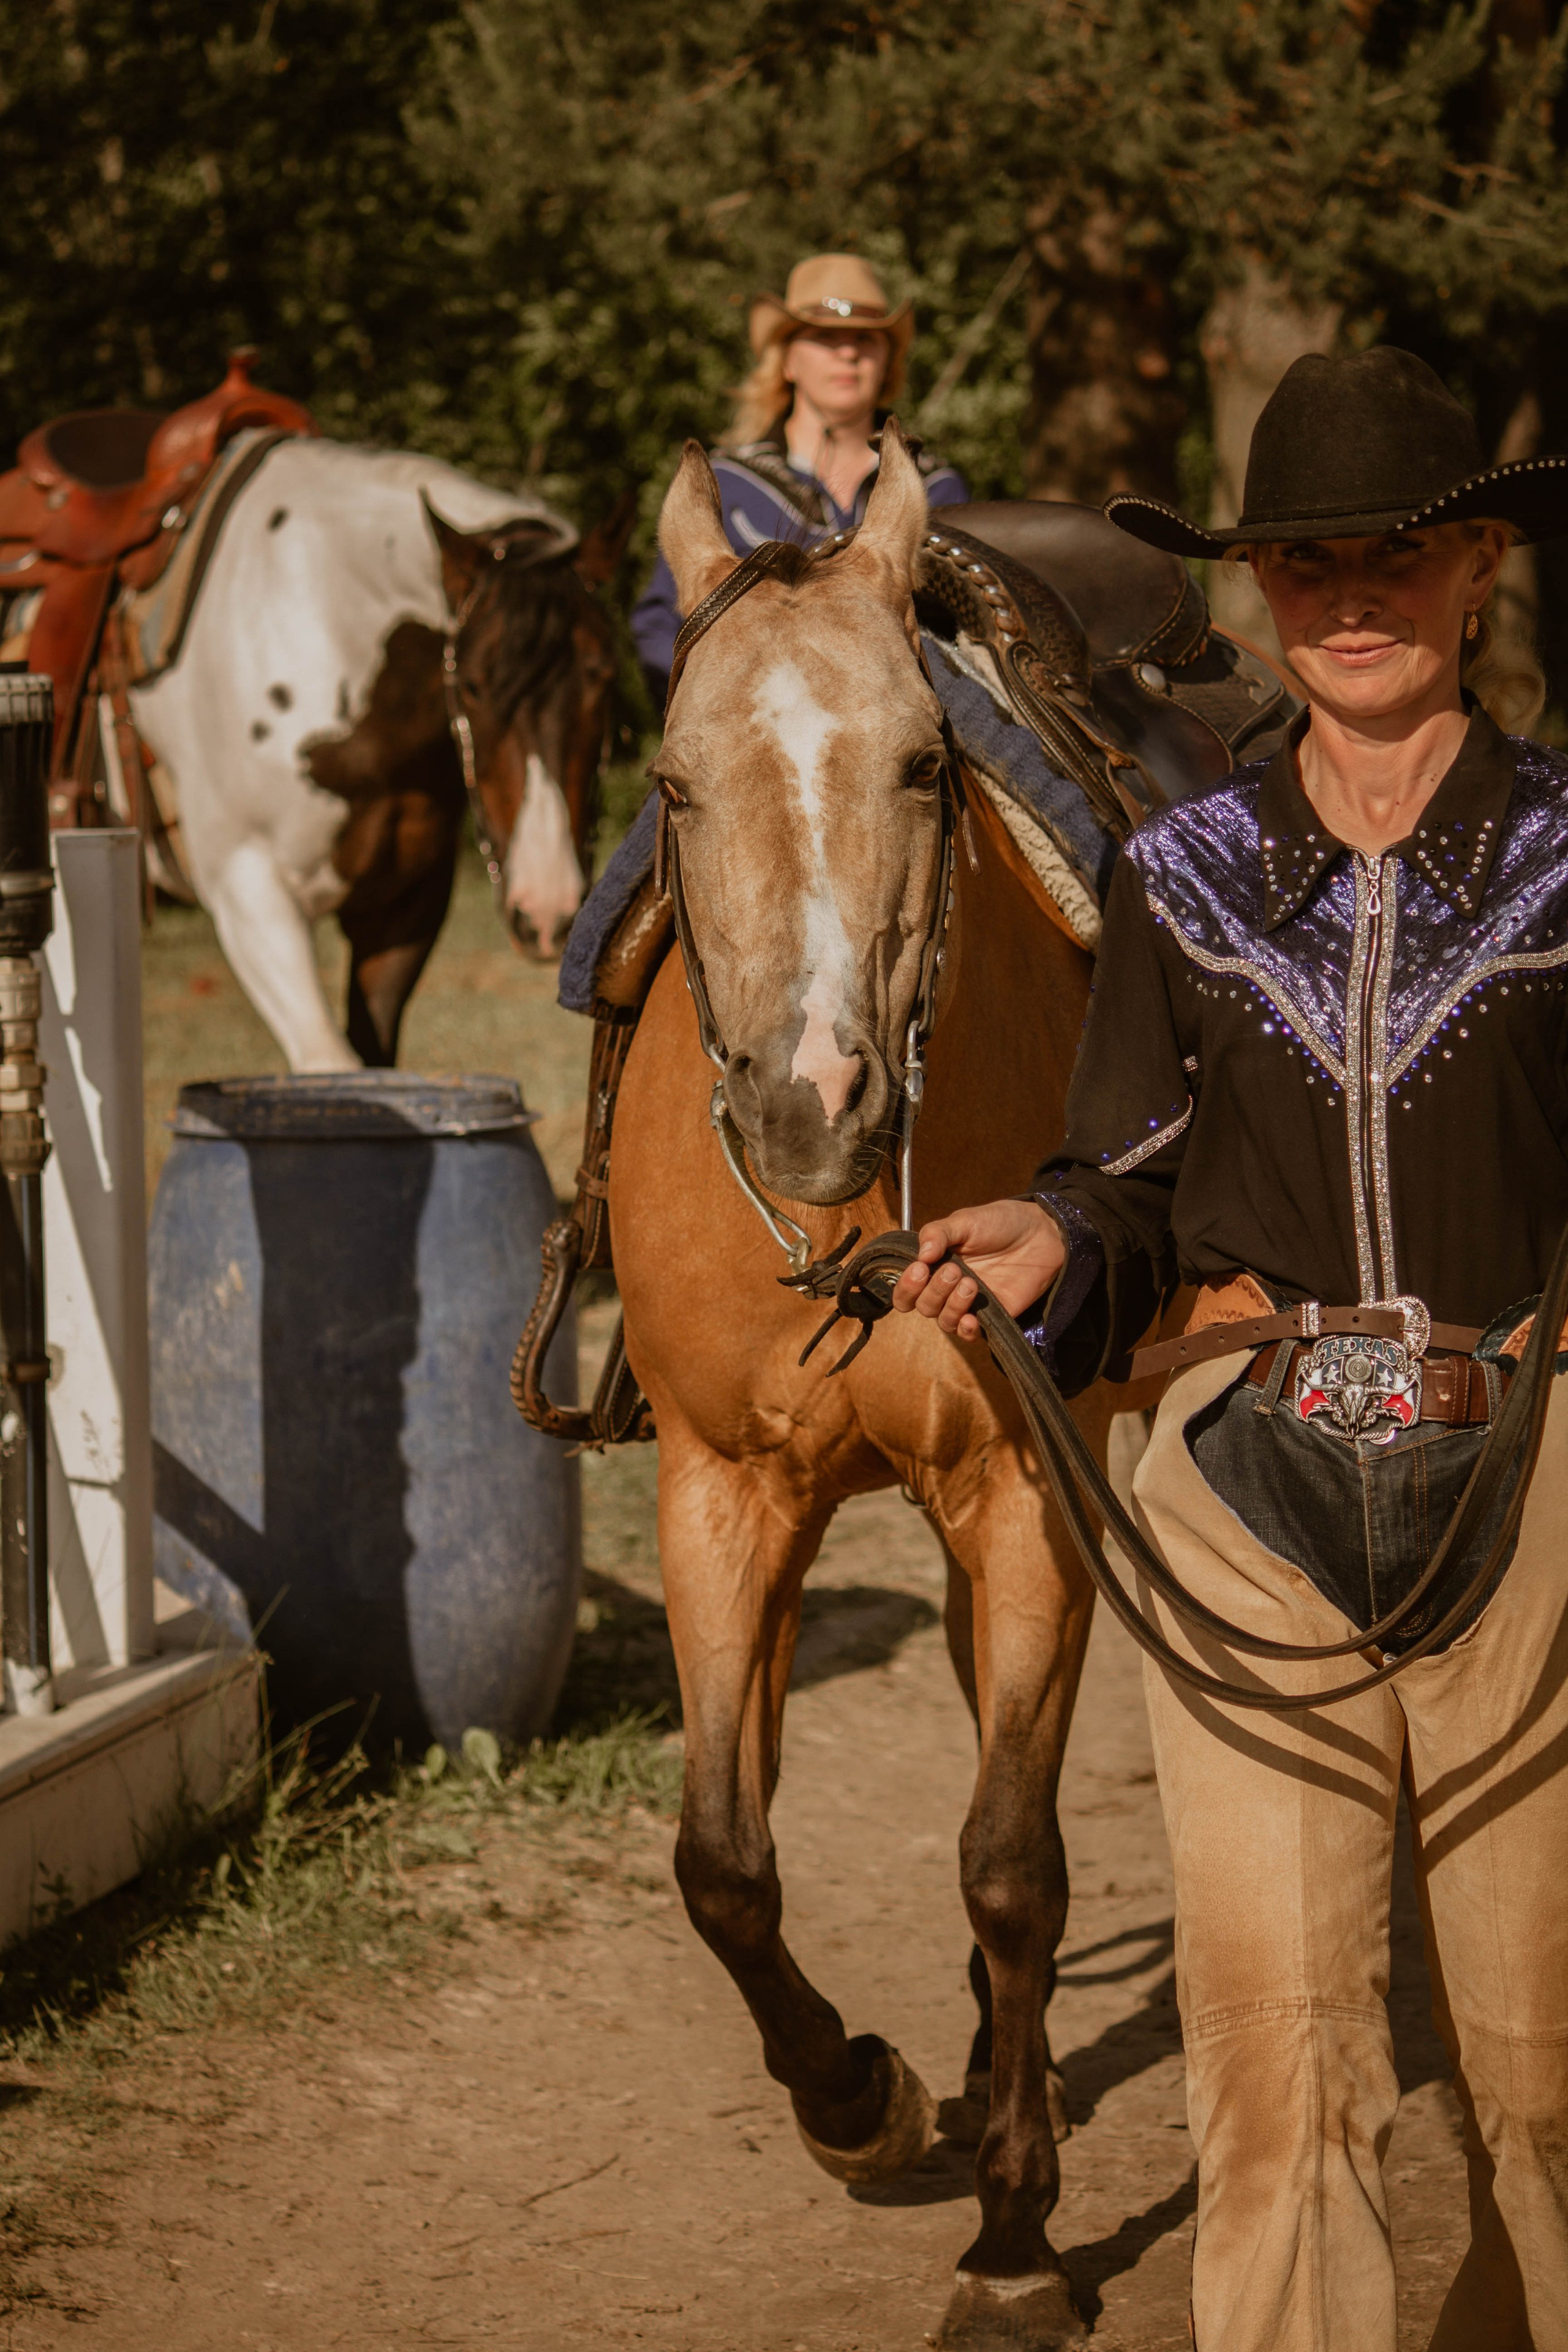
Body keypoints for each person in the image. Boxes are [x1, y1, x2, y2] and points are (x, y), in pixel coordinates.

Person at [891, 346, 1568, 2351]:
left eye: (1396, 557)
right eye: (1306, 567)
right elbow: (1137, 1166)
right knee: (1280, 2072)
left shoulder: (1565, 860)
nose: (1350, 600)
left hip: (1528, 1490)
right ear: (1265, 595)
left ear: (1474, 579)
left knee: (1541, 2083)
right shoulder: (1181, 875)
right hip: (1246, 1495)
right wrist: (1049, 1227)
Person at [631, 253, 967, 695]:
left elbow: (972, 633)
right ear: (788, 361)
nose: (848, 353)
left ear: (888, 359)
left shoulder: (936, 487)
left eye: (866, 338)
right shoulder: (727, 486)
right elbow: (658, 627)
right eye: (826, 337)